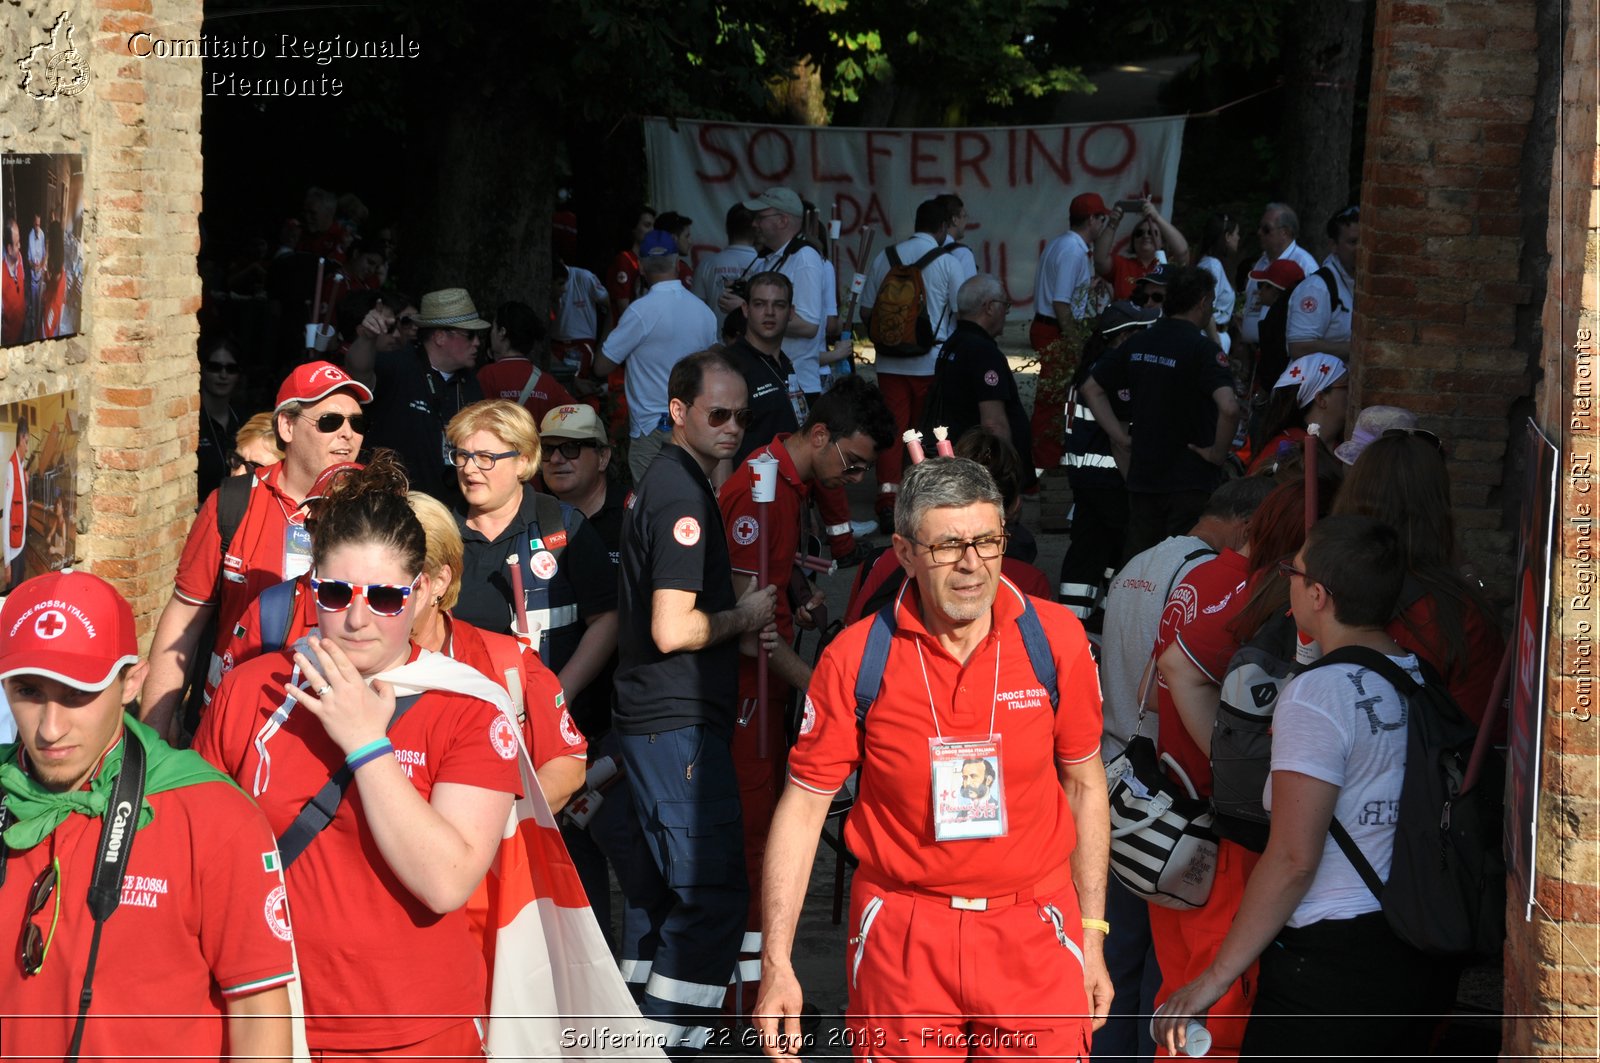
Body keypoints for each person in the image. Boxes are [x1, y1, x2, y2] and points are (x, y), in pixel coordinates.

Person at [757, 457, 1111, 1060]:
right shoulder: (855, 657)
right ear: (904, 550)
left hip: (1033, 929)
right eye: (948, 545)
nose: (972, 564)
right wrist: (776, 963)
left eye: (986, 541)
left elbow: (1083, 783)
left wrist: (1092, 934)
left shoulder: (1055, 640)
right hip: (903, 935)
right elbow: (804, 807)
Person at [197, 454, 522, 1057]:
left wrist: (369, 746)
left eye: (386, 598)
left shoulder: (471, 707)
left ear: (423, 591)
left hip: (407, 1029)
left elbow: (446, 882)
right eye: (336, 591)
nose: (355, 618)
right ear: (310, 583)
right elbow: (199, 849)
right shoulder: (254, 687)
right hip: (267, 1014)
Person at [1154, 516, 1459, 1057]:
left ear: (1318, 594)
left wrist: (1216, 977)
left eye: (1291, 573)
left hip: (1332, 960)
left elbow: (1294, 857)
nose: (1285, 582)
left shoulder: (1320, 694)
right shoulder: (1418, 676)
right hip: (1415, 943)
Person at [0, 570, 294, 1060]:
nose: (50, 729)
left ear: (132, 681)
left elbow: (257, 1016)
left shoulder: (215, 818)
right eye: (29, 692)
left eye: (77, 694)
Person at [613, 349, 777, 1055]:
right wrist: (745, 614)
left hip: (658, 723)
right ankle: (675, 1046)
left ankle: (637, 1038)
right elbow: (672, 627)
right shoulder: (680, 493)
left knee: (661, 903)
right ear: (677, 411)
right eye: (718, 413)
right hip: (676, 724)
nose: (733, 426)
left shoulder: (670, 483)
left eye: (742, 415)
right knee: (708, 898)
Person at [716, 374, 895, 1015]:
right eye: (850, 462)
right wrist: (826, 690)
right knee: (759, 840)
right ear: (819, 435)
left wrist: (799, 594)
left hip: (770, 686)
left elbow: (770, 578)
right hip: (749, 695)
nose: (852, 479)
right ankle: (750, 994)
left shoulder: (787, 486)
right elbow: (744, 629)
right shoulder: (758, 494)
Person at [142, 361, 371, 737]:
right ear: (287, 426)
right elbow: (185, 618)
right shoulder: (232, 503)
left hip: (324, 734)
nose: (348, 435)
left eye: (357, 423)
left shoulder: (375, 511)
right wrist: (153, 729)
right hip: (228, 724)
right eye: (330, 422)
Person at [407, 490, 587, 810]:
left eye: (402, 581)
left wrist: (500, 821)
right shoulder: (339, 664)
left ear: (439, 581)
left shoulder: (504, 661)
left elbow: (567, 761)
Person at [446, 400, 618, 714]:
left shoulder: (564, 527)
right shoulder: (438, 530)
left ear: (523, 463)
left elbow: (607, 619)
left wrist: (558, 695)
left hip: (545, 723)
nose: (469, 469)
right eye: (462, 455)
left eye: (486, 458)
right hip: (458, 715)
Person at [1331, 431, 1506, 723]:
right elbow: (1479, 733)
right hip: (1416, 765)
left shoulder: (1316, 584)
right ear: (1438, 507)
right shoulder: (1460, 616)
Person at [1082, 266, 1241, 562]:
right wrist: (1218, 454)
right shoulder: (1202, 350)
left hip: (1145, 478)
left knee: (1141, 564)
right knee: (1183, 565)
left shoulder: (1139, 342)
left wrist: (1120, 437)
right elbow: (1229, 407)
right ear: (1203, 302)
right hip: (1189, 481)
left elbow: (1092, 388)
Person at [857, 198, 966, 526]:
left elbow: (865, 312)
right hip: (931, 362)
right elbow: (961, 314)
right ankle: (924, 500)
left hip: (890, 363)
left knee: (892, 432)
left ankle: (888, 500)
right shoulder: (950, 263)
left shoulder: (885, 257)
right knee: (930, 433)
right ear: (944, 227)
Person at [1055, 300, 1161, 622]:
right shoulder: (1115, 374)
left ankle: (1074, 623)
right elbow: (1122, 440)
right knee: (1126, 553)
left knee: (1088, 552)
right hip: (1112, 479)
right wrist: (1138, 488)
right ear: (1124, 337)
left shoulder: (1090, 368)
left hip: (1085, 480)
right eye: (1141, 331)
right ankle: (1108, 621)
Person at [594, 231, 719, 483]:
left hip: (651, 431)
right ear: (677, 263)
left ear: (640, 267)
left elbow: (600, 367)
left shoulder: (639, 312)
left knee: (653, 509)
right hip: (694, 426)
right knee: (691, 502)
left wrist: (609, 319)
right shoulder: (704, 312)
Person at [346, 287, 490, 502]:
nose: (477, 342)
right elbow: (357, 373)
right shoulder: (397, 365)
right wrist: (367, 338)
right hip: (388, 504)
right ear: (440, 336)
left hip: (447, 509)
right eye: (470, 335)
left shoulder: (470, 383)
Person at [926, 273, 1034, 488]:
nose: (1007, 311)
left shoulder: (952, 345)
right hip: (981, 470)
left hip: (964, 463)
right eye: (1005, 304)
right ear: (990, 307)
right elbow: (993, 423)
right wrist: (1005, 479)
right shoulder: (983, 352)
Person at [1031, 192, 1112, 470]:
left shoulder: (1062, 244)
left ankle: (1046, 461)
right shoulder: (1073, 250)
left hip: (1050, 327)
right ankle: (1044, 465)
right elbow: (1061, 303)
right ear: (1092, 219)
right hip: (1056, 331)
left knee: (1055, 401)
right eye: (1102, 218)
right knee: (1052, 405)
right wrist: (1077, 344)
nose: (1103, 226)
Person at [721, 271, 807, 467]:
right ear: (745, 309)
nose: (769, 312)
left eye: (779, 305)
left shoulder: (784, 363)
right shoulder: (730, 364)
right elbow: (720, 444)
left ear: (791, 312)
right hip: (750, 488)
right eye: (760, 304)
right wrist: (724, 496)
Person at [1247, 353, 1350, 475]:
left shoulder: (1344, 446)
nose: (1353, 393)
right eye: (1347, 386)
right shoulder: (1284, 453)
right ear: (1321, 399)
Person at [477, 300, 576, 424]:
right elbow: (575, 414)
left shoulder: (487, 375)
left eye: (493, 328)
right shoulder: (547, 382)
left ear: (502, 332)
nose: (491, 333)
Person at [1237, 203, 1320, 347]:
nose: (1259, 233)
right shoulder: (1261, 262)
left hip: (1280, 354)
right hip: (1252, 352)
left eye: (1266, 229)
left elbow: (1311, 314)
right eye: (1260, 227)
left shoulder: (1305, 265)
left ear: (1285, 233)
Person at [1286, 206, 1359, 359]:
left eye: (1365, 241)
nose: (1361, 248)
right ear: (1333, 246)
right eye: (1353, 242)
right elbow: (1299, 347)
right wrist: (1355, 350)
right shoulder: (1317, 288)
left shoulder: (1362, 284)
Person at [1094, 198, 1190, 300]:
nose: (1146, 236)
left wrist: (1157, 218)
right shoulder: (1121, 264)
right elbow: (1099, 260)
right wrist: (1112, 224)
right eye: (1139, 233)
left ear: (1162, 242)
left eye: (1152, 232)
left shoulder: (1168, 266)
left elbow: (1183, 253)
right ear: (1133, 241)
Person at [693, 204, 760, 331]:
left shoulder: (707, 264)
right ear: (756, 228)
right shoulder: (765, 264)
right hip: (753, 343)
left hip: (717, 342)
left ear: (727, 228)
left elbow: (696, 310)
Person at [196, 336, 246, 503]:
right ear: (201, 369)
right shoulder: (192, 422)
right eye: (214, 367)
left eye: (231, 369)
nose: (223, 375)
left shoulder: (243, 420)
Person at [1193, 213, 1241, 351]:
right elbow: (1207, 308)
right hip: (1210, 339)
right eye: (1236, 233)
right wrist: (1216, 345)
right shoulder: (1212, 266)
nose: (1238, 238)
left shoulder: (1214, 265)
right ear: (1227, 236)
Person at [2, 218, 24, 346]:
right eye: (17, 244)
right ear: (9, 249)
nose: (20, 246)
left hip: (22, 326)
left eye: (19, 241)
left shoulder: (19, 258)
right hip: (10, 339)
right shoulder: (2, 276)